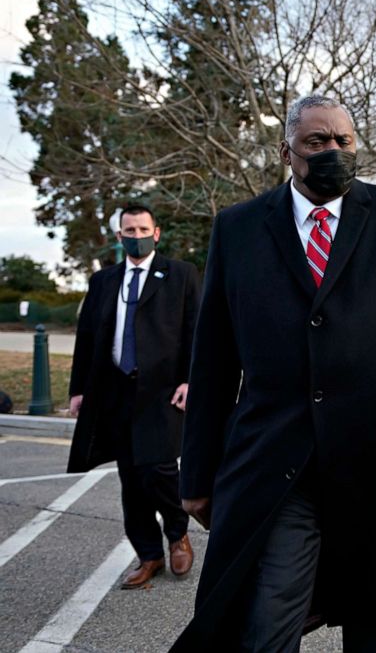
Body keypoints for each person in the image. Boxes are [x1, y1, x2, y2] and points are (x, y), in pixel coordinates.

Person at [174, 95, 376, 651]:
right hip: (281, 464)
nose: (333, 151)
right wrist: (195, 475)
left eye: (344, 141)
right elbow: (212, 358)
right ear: (286, 151)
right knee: (265, 622)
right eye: (317, 142)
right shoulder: (238, 230)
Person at [67, 203, 200, 589]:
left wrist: (190, 380)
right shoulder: (104, 281)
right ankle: (149, 555)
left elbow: (197, 330)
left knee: (158, 469)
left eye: (143, 230)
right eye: (129, 230)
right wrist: (79, 390)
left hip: (161, 391)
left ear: (156, 233)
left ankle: (177, 534)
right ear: (119, 235)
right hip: (115, 392)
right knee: (130, 478)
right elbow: (88, 338)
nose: (137, 236)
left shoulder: (180, 274)